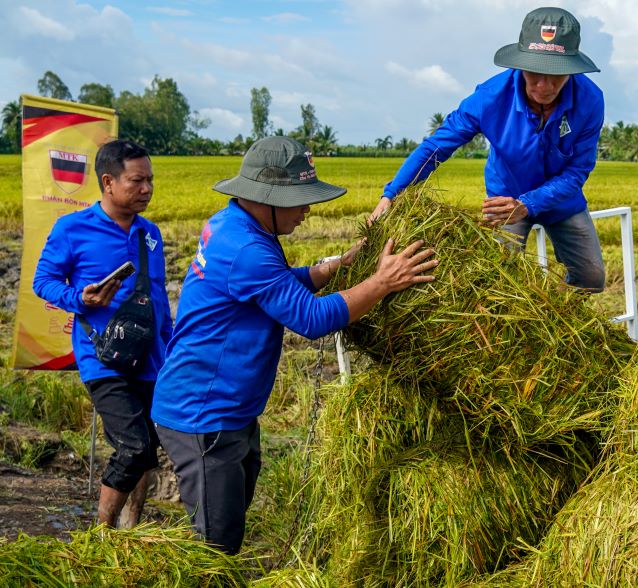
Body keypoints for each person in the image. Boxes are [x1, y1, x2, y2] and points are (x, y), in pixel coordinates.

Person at [151, 136, 437, 554]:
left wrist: (341, 265)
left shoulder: (235, 225)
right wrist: (382, 282)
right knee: (215, 546)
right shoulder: (248, 248)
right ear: (267, 197)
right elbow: (311, 319)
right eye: (299, 200)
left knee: (229, 522)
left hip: (229, 408)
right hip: (203, 414)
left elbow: (275, 288)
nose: (308, 210)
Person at [371, 6, 606, 292]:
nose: (544, 85)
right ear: (520, 64)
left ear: (571, 68)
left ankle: (556, 321)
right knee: (498, 282)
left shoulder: (590, 100)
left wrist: (529, 204)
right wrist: (392, 194)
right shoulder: (490, 98)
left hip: (560, 199)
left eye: (556, 74)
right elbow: (436, 147)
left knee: (592, 278)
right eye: (535, 72)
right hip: (504, 200)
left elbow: (577, 170)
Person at [33, 139, 173, 527]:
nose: (146, 189)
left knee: (148, 446)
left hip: (150, 358)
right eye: (136, 181)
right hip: (103, 359)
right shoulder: (72, 229)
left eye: (150, 180)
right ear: (108, 182)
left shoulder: (151, 234)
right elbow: (42, 281)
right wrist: (81, 298)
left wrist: (171, 345)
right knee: (132, 447)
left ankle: (133, 526)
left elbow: (158, 297)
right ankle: (103, 532)